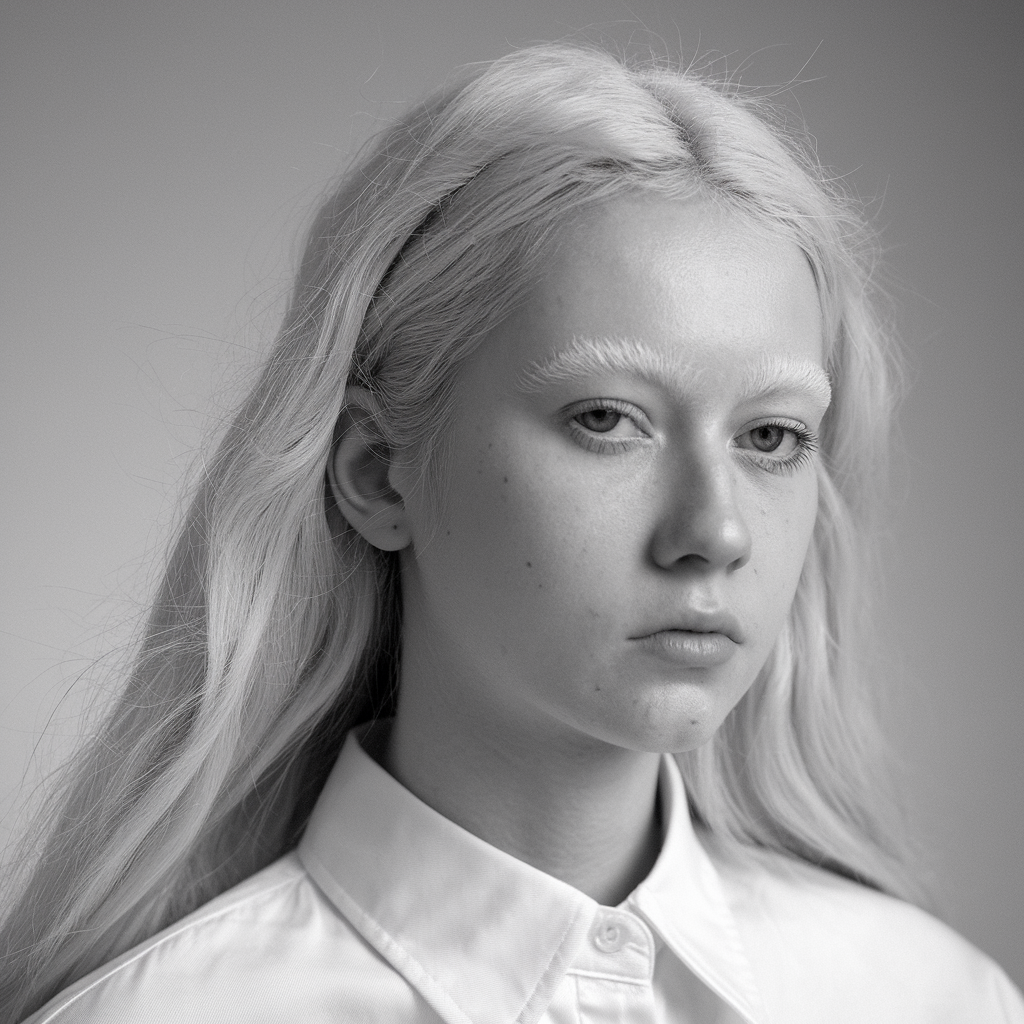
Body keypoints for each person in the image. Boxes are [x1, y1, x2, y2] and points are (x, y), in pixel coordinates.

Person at [1, 41, 1021, 1024]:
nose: (712, 530)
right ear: (372, 473)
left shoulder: (940, 1001)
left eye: (770, 435)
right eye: (607, 419)